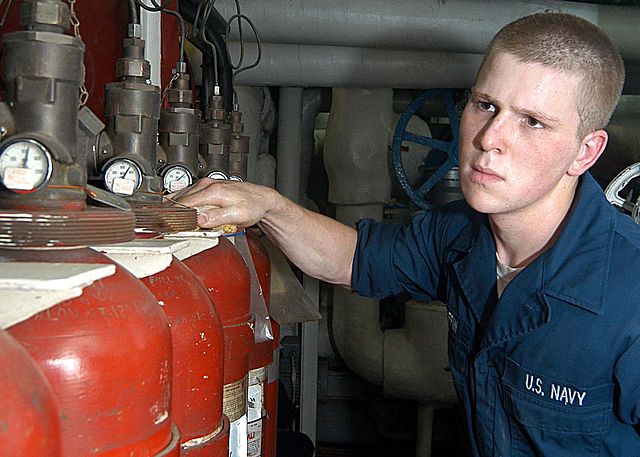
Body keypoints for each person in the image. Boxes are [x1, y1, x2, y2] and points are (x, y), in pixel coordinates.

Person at [175, 12, 640, 456]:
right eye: (485, 105)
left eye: (532, 122)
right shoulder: (458, 233)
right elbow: (352, 258)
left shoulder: (629, 296)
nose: (489, 138)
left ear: (585, 152)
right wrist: (268, 206)